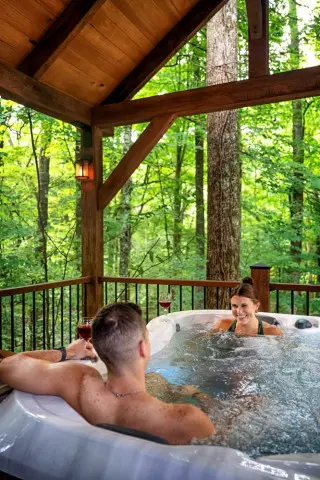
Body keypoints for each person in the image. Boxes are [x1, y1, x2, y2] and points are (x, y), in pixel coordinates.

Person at [0, 302, 214, 445]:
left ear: (99, 348)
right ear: (143, 348)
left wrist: (67, 352)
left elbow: (9, 365)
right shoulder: (184, 418)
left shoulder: (78, 381)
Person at [209, 277, 283, 336]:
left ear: (256, 306)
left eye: (244, 305)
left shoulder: (272, 332)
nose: (239, 311)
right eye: (235, 306)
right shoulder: (222, 325)